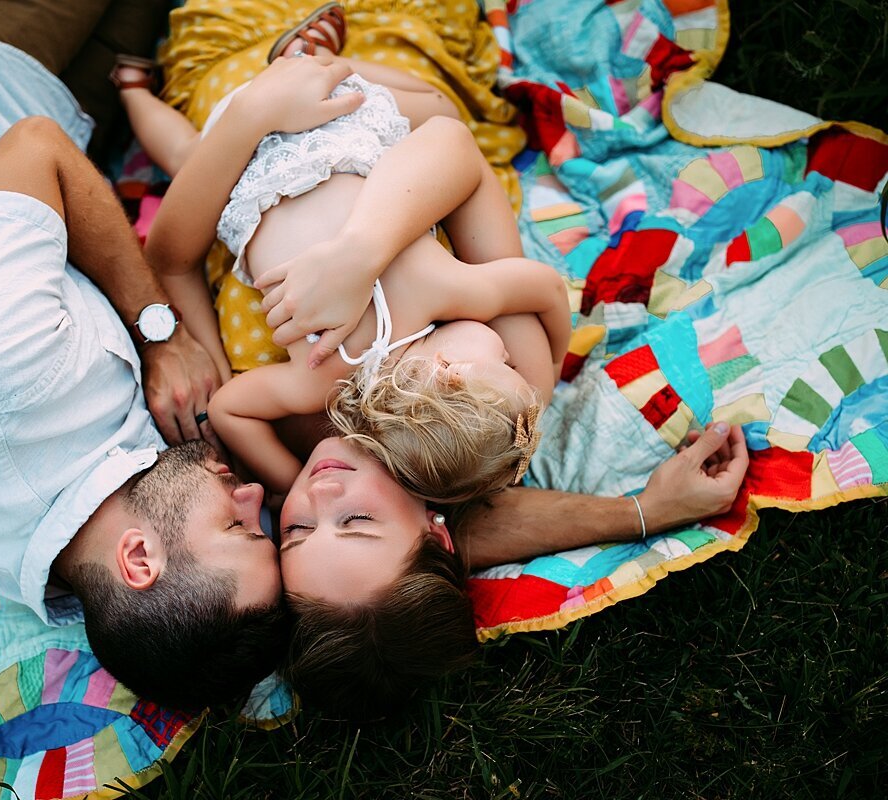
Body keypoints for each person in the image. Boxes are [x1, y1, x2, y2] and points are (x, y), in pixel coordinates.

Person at [139, 0, 752, 719]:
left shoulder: (300, 425)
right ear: (440, 525)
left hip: (229, 95)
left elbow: (178, 270)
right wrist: (643, 510)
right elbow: (449, 145)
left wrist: (253, 116)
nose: (317, 501)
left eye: (295, 531)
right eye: (358, 523)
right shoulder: (481, 408)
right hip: (358, 84)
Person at [0, 0, 334, 711]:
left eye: (238, 525)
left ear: (140, 559)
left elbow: (35, 147)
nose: (257, 499)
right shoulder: (90, 540)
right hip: (65, 117)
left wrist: (161, 333)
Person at [118, 6, 570, 506]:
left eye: (503, 363)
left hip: (333, 131)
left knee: (442, 109)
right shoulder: (320, 380)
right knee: (184, 154)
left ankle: (318, 60)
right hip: (243, 175)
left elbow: (547, 288)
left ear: (446, 367)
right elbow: (228, 410)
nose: (508, 354)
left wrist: (550, 362)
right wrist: (288, 485)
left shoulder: (440, 289)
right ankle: (131, 88)